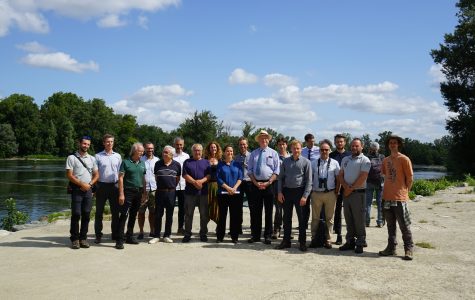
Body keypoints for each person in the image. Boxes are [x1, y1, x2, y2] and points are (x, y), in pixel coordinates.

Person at [378, 134, 414, 260]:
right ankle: (391, 248)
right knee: (390, 225)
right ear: (388, 145)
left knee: (404, 225)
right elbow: (384, 175)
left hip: (400, 198)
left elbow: (410, 178)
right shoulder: (386, 160)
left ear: (398, 144)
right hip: (387, 197)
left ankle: (408, 249)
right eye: (390, 143)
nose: (392, 144)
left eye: (395, 142)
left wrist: (405, 192)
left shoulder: (404, 159)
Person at [275, 139, 312, 252]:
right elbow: (280, 178)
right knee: (286, 218)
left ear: (301, 149)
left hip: (300, 192)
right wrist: (280, 192)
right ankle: (286, 241)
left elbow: (309, 181)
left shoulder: (306, 162)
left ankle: (302, 242)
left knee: (302, 219)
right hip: (287, 192)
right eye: (294, 148)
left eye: (298, 148)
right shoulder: (285, 162)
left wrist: (305, 196)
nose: (296, 150)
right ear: (290, 149)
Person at [338, 138, 371, 254]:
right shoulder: (345, 159)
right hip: (346, 193)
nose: (354, 148)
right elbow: (340, 175)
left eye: (356, 146)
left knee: (359, 219)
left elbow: (363, 176)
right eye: (352, 146)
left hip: (358, 194)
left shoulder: (365, 160)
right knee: (349, 218)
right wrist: (346, 188)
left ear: (362, 147)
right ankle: (350, 241)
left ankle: (361, 242)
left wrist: (350, 189)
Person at [65, 136, 99, 249]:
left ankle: (83, 238)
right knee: (76, 214)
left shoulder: (92, 158)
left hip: (88, 189)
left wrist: (89, 185)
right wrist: (81, 184)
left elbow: (96, 175)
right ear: (79, 143)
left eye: (88, 144)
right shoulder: (71, 157)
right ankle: (74, 239)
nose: (86, 146)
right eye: (84, 144)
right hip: (76, 189)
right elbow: (69, 175)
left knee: (86, 214)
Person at [247, 130, 280, 245]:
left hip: (269, 185)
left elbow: (276, 171)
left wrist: (268, 182)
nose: (264, 140)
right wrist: (256, 183)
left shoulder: (274, 153)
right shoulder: (253, 154)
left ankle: (267, 236)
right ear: (258, 140)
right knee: (256, 211)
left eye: (266, 138)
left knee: (269, 211)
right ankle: (255, 235)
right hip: (256, 185)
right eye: (262, 138)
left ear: (268, 140)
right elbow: (249, 170)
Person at [309, 139, 340, 249]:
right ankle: (314, 238)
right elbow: (310, 179)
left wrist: (336, 191)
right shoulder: (313, 163)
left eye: (326, 149)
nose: (324, 151)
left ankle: (328, 239)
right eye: (322, 149)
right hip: (316, 193)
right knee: (315, 218)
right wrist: (311, 191)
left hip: (330, 193)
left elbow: (338, 179)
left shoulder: (335, 163)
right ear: (319, 151)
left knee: (329, 218)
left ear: (330, 150)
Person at [116, 143, 147, 249]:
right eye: (140, 151)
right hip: (127, 191)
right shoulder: (125, 162)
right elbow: (120, 178)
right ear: (134, 151)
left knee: (134, 215)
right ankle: (119, 240)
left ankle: (129, 236)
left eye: (143, 151)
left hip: (138, 192)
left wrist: (144, 192)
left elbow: (143, 179)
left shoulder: (143, 163)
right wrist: (121, 194)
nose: (142, 153)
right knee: (124, 215)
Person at [149, 146, 181, 244]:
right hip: (160, 191)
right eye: (163, 152)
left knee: (169, 215)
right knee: (158, 214)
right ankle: (156, 235)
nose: (164, 154)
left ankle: (167, 235)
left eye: (166, 152)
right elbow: (156, 177)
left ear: (171, 154)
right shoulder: (158, 164)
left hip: (171, 192)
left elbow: (177, 179)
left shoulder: (177, 165)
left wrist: (170, 187)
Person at [94, 134, 122, 244]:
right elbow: (94, 173)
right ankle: (98, 235)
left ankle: (114, 234)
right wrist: (95, 188)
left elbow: (121, 174)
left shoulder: (118, 156)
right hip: (101, 186)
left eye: (111, 141)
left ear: (113, 143)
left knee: (115, 213)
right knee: (99, 213)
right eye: (107, 141)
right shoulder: (98, 156)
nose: (109, 143)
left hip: (114, 186)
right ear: (103, 143)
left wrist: (121, 189)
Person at [182, 144, 210, 243]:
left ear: (202, 151)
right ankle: (187, 234)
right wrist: (195, 182)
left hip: (203, 193)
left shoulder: (206, 162)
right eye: (195, 150)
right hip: (190, 193)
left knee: (204, 215)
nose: (197, 152)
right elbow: (184, 175)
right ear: (192, 151)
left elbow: (209, 175)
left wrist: (201, 181)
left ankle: (203, 234)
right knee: (188, 214)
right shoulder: (187, 162)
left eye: (199, 150)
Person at [216, 145, 243, 243]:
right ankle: (220, 236)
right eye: (227, 151)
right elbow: (218, 179)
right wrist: (228, 188)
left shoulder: (237, 164)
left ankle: (234, 236)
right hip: (223, 194)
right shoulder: (220, 164)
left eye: (231, 151)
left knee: (234, 216)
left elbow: (240, 177)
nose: (229, 153)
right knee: (222, 216)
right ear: (224, 152)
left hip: (235, 194)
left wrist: (234, 188)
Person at [329, 133, 351, 245]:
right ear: (335, 143)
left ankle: (352, 236)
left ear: (345, 142)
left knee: (349, 212)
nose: (339, 143)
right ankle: (339, 235)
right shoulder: (331, 155)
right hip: (335, 187)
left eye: (341, 141)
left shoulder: (350, 155)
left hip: (348, 187)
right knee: (336, 211)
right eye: (337, 141)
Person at [138, 142, 159, 239]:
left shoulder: (157, 160)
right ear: (144, 149)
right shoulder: (140, 160)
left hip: (154, 189)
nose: (150, 150)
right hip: (143, 190)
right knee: (141, 212)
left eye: (151, 148)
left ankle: (152, 230)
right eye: (148, 148)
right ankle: (141, 231)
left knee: (153, 212)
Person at [300, 133, 319, 230]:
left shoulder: (319, 150)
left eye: (313, 141)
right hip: (304, 181)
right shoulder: (302, 151)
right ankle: (303, 223)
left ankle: (316, 225)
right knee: (305, 204)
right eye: (310, 141)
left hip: (316, 180)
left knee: (316, 204)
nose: (312, 143)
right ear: (306, 141)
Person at [272, 137, 290, 239]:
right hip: (277, 185)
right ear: (277, 146)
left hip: (288, 186)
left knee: (288, 210)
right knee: (278, 209)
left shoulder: (291, 157)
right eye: (279, 144)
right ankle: (277, 229)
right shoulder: (275, 157)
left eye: (283, 144)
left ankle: (287, 230)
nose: (281, 146)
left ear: (286, 145)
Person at [365, 142, 385, 228]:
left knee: (368, 203)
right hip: (380, 182)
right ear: (378, 149)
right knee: (380, 203)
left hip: (369, 182)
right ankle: (380, 221)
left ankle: (366, 221)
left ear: (370, 148)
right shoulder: (382, 157)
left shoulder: (366, 157)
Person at [234, 137, 251, 234]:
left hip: (249, 182)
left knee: (252, 206)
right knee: (238, 206)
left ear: (247, 145)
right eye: (241, 144)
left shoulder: (252, 156)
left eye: (244, 144)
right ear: (238, 145)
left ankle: (253, 227)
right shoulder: (236, 158)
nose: (242, 146)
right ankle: (238, 227)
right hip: (239, 183)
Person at [173, 137, 190, 235]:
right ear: (174, 144)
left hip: (183, 185)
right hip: (173, 185)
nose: (179, 146)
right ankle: (168, 229)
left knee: (182, 208)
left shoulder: (187, 156)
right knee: (170, 207)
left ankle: (180, 228)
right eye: (177, 144)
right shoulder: (171, 155)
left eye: (181, 144)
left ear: (183, 145)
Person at [204, 141, 222, 224]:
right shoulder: (204, 160)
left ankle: (218, 228)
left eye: (215, 147)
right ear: (209, 149)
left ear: (217, 148)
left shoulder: (221, 160)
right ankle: (204, 229)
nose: (213, 148)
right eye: (211, 147)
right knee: (206, 206)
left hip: (217, 185)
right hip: (207, 185)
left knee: (217, 205)